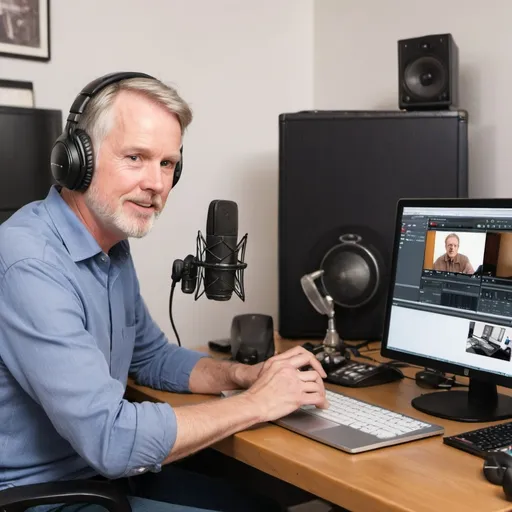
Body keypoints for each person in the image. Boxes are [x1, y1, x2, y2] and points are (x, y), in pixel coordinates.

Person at [0, 72, 329, 512]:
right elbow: (111, 440)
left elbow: (150, 357)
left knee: (265, 504)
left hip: (97, 477)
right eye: (135, 157)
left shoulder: (110, 245)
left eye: (167, 164)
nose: (156, 183)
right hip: (46, 497)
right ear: (77, 159)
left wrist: (240, 376)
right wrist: (257, 403)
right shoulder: (30, 262)